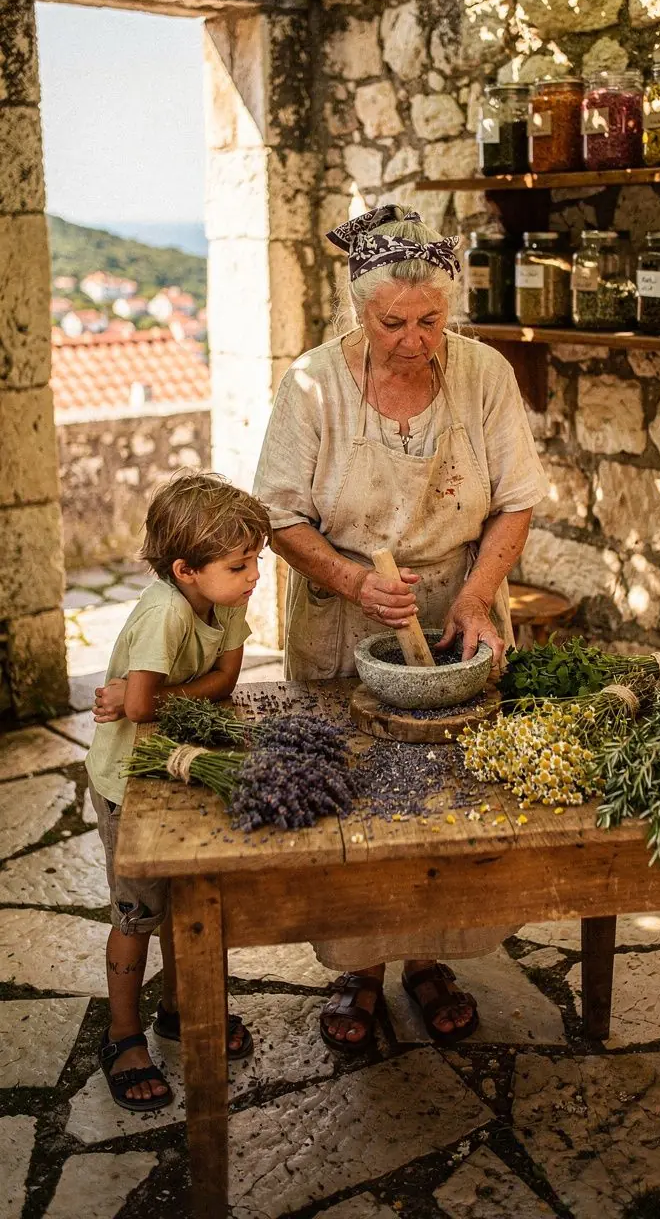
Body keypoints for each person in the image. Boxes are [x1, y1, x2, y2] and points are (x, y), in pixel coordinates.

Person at [254, 204, 547, 1055]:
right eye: (394, 324)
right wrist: (353, 579)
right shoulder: (312, 384)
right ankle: (358, 968)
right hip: (342, 613)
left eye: (431, 320)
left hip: (458, 598)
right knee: (355, 799)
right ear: (358, 312)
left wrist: (476, 598)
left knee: (446, 796)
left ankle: (429, 957)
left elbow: (516, 499)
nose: (416, 340)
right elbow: (277, 513)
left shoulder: (483, 374)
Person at [87, 471, 272, 1111]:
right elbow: (139, 709)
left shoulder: (226, 598)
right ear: (185, 570)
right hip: (128, 781)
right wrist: (145, 698)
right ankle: (121, 1034)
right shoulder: (165, 613)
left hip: (176, 764)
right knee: (138, 913)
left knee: (185, 894)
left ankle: (178, 1007)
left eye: (255, 560)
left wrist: (152, 697)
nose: (254, 576)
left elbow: (223, 680)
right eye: (240, 565)